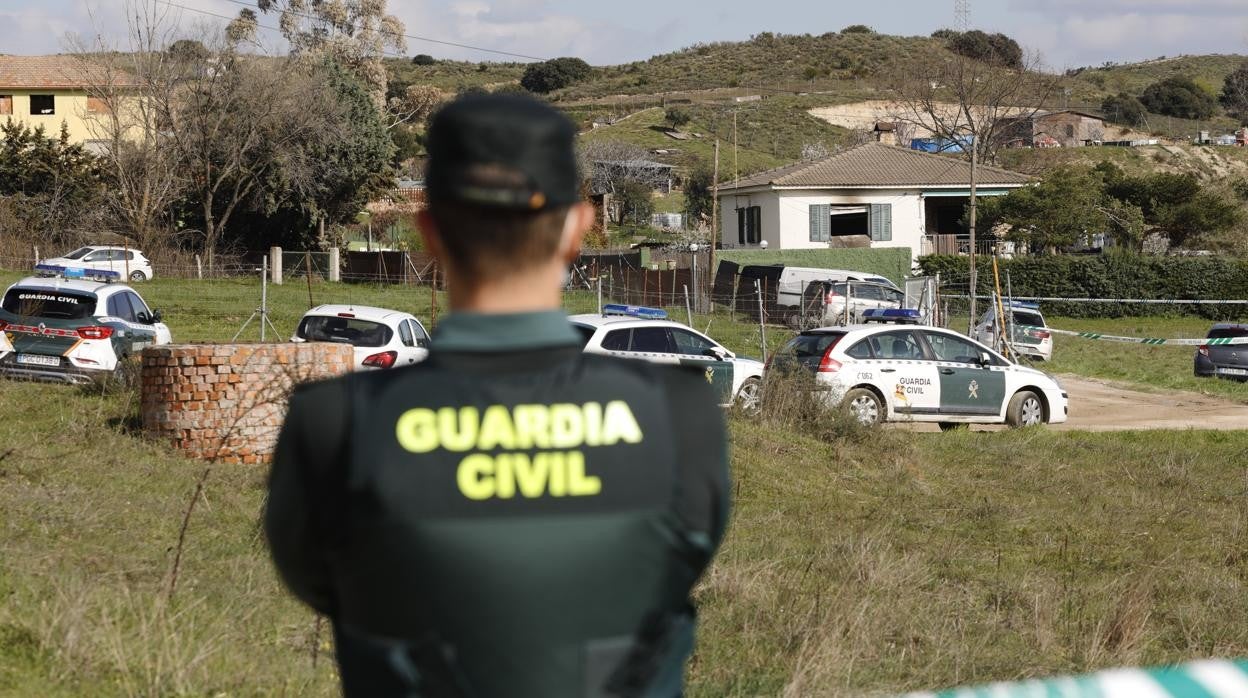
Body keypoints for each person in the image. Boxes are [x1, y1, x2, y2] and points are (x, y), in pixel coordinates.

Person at [266, 92, 730, 697]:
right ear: (578, 229)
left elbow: (320, 582)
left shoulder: (331, 424)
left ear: (428, 233)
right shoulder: (680, 416)